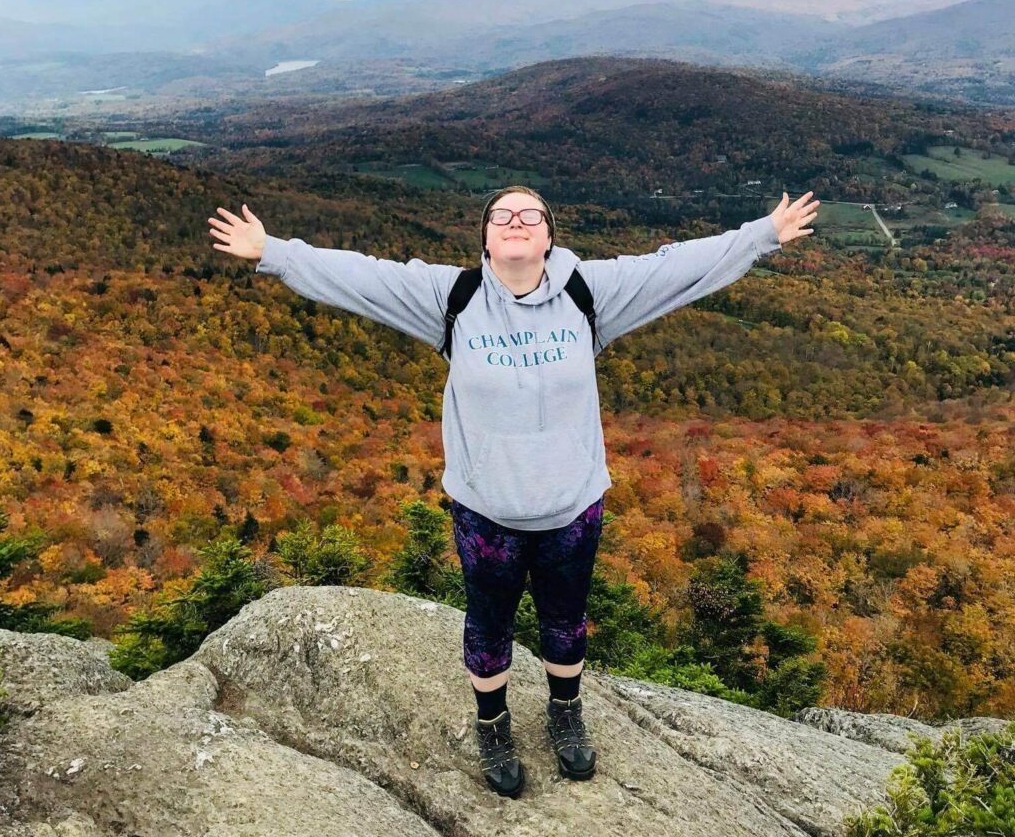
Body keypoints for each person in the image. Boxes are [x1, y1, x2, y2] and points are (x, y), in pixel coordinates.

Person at [207, 184, 818, 798]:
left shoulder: (590, 294)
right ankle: (493, 723)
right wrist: (274, 251)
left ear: (550, 235)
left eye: (531, 215)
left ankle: (565, 712)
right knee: (489, 623)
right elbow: (363, 276)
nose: (517, 222)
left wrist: (762, 234)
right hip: (487, 511)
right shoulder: (453, 299)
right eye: (503, 215)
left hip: (571, 506)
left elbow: (675, 266)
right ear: (486, 237)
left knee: (566, 621)